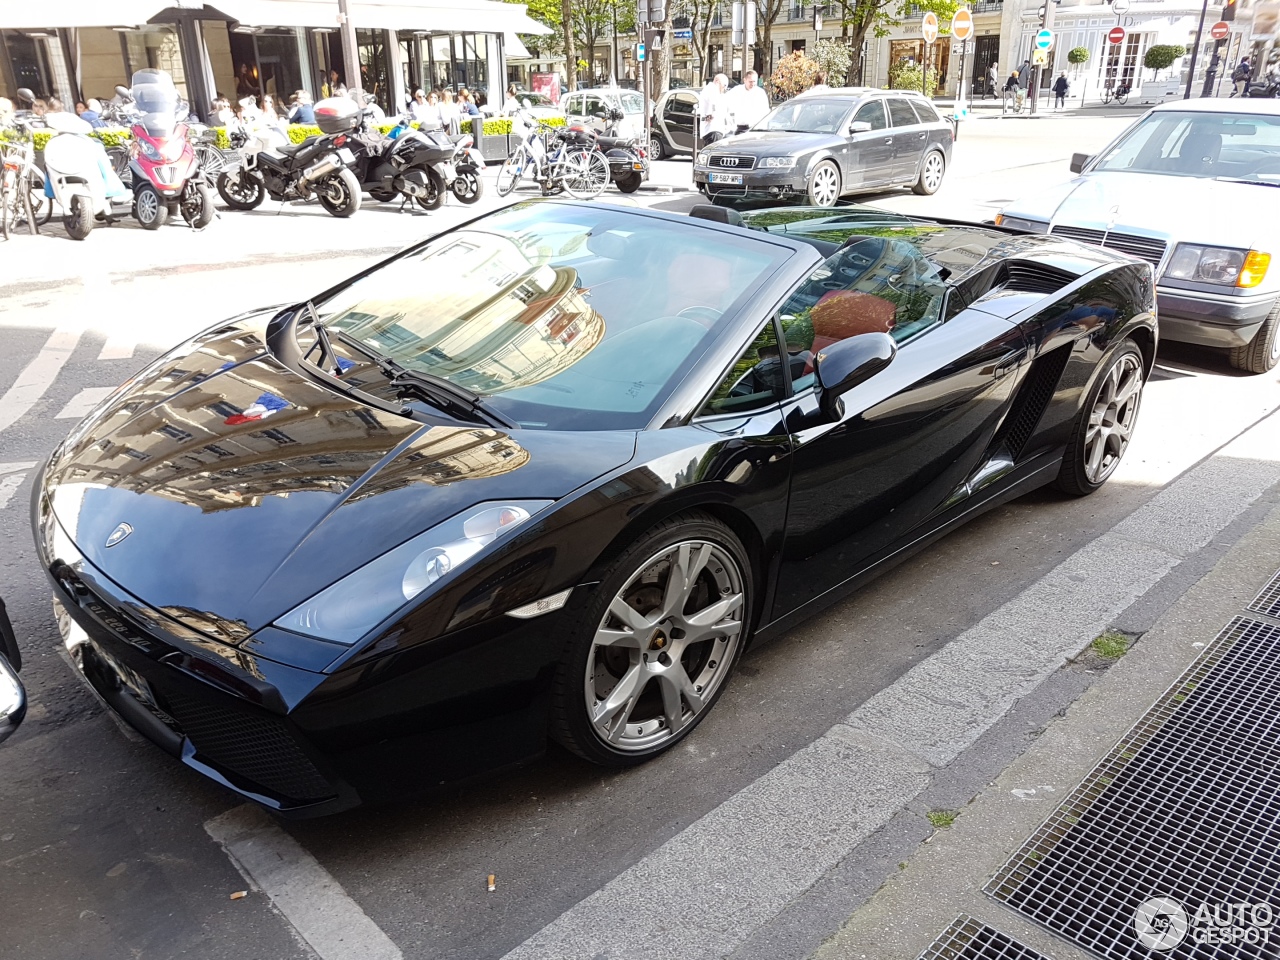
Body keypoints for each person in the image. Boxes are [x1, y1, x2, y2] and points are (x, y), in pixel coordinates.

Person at [698, 73, 732, 144]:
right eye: (724, 85)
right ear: (717, 81)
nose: (724, 88)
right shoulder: (712, 90)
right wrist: (712, 113)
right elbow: (713, 103)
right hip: (714, 130)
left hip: (712, 130)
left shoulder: (708, 89)